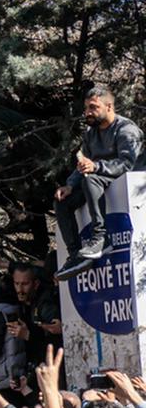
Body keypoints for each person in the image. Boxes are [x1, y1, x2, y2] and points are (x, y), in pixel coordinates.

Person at [55, 86, 143, 280]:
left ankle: (101, 238)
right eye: (86, 108)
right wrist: (69, 185)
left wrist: (96, 167)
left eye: (93, 107)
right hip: (98, 184)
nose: (87, 113)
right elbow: (83, 164)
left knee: (92, 179)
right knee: (62, 200)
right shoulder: (90, 134)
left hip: (127, 187)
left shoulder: (126, 130)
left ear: (109, 106)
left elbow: (127, 164)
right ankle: (75, 256)